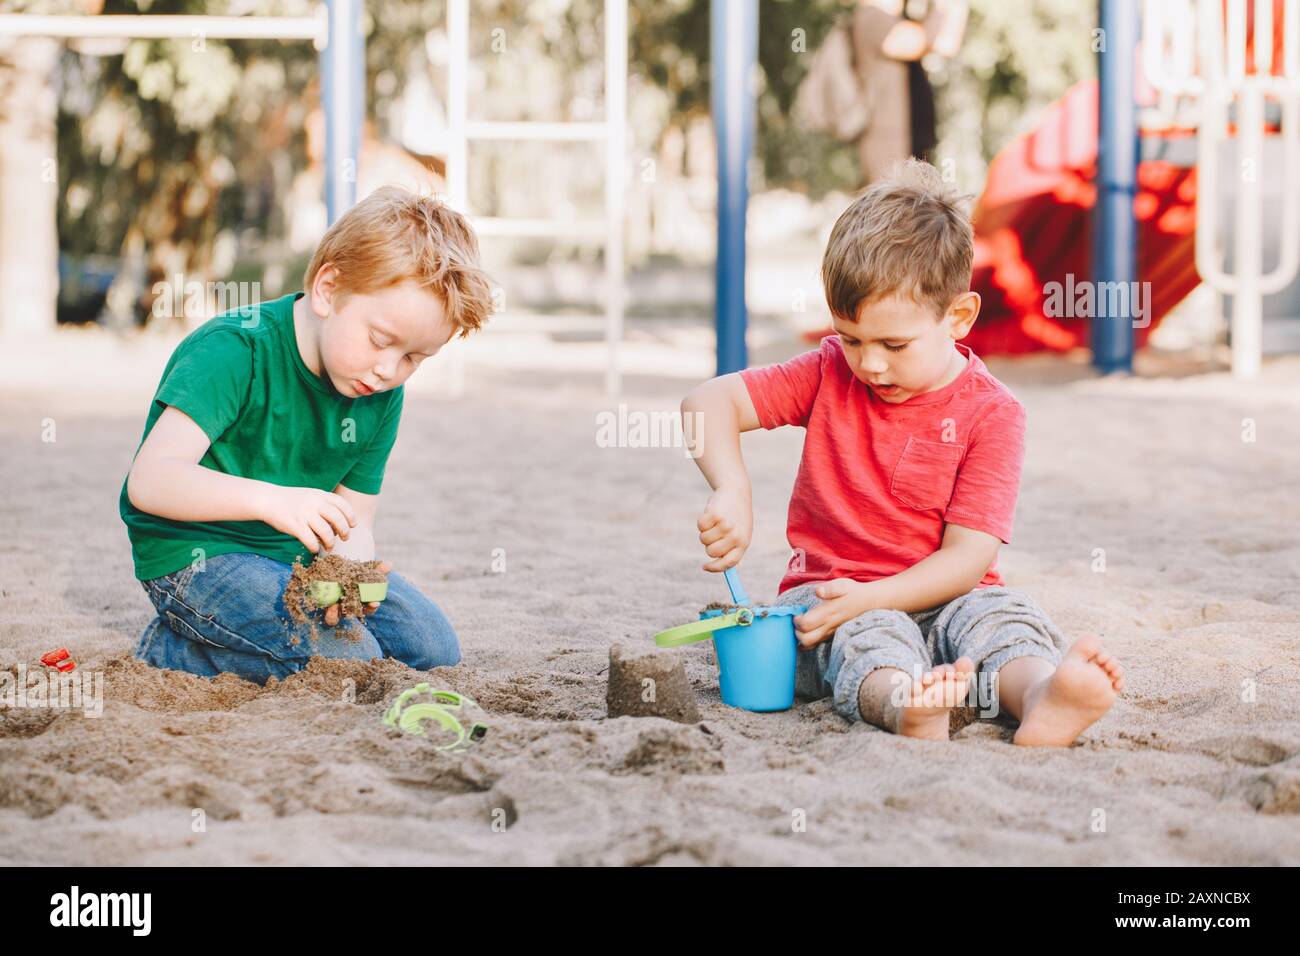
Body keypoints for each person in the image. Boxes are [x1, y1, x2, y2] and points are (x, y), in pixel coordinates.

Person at [681, 159, 1125, 745]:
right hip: (837, 598)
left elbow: (967, 560)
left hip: (952, 594)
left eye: (894, 343)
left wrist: (884, 591)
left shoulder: (993, 413)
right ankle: (907, 707)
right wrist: (732, 487)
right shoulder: (827, 373)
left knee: (1002, 620)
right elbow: (705, 403)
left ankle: (1044, 695)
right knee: (871, 639)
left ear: (959, 317)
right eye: (851, 337)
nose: (869, 363)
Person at [120, 186, 495, 684]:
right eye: (380, 340)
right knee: (348, 660)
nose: (387, 369)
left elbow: (355, 519)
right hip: (197, 557)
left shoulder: (380, 393)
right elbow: (150, 482)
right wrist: (274, 502)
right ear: (328, 289)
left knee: (432, 648)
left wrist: (347, 578)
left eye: (413, 358)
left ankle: (235, 640)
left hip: (293, 563)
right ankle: (173, 646)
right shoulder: (234, 350)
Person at [850, 0, 967, 186]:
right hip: (888, 147)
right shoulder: (871, 17)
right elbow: (923, 41)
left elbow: (946, 43)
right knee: (895, 212)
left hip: (913, 144)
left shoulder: (900, 20)